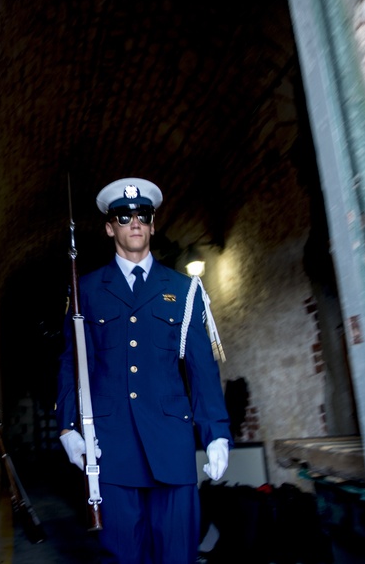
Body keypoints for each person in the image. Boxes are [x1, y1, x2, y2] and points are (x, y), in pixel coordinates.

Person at [56, 177, 232, 564]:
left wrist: (216, 432)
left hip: (171, 446)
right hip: (112, 448)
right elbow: (73, 361)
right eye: (123, 215)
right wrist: (68, 426)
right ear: (109, 226)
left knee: (177, 555)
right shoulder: (86, 289)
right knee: (122, 558)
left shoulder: (185, 290)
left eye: (142, 215)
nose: (134, 221)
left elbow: (202, 370)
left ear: (152, 225)